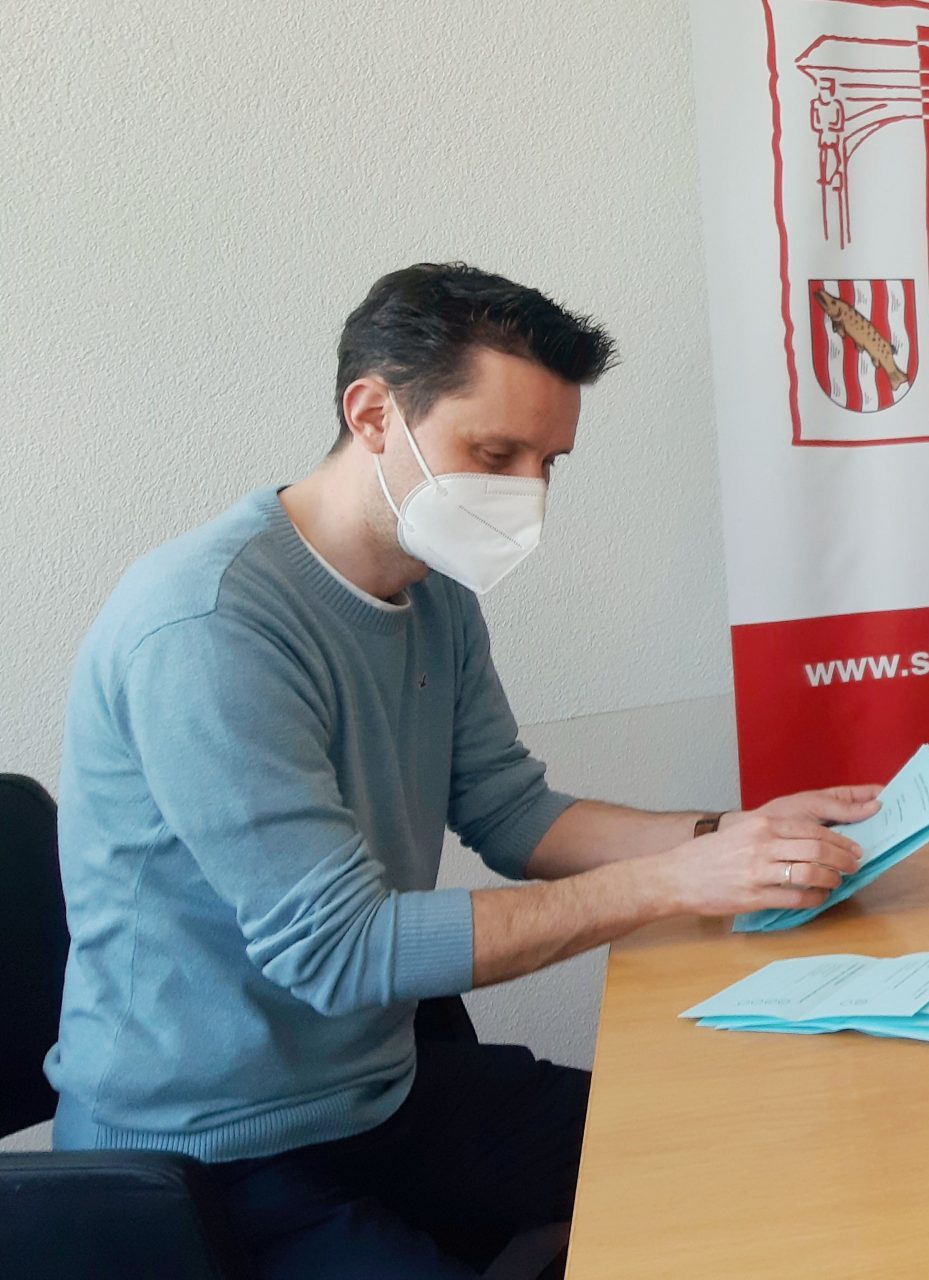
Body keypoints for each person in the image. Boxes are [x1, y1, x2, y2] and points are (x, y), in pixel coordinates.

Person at [48, 263, 882, 1280]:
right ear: (371, 414)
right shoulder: (209, 626)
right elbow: (342, 948)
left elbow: (510, 808)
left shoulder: (433, 590)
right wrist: (671, 882)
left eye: (548, 460)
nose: (525, 492)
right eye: (494, 452)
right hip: (212, 1150)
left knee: (741, 1148)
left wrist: (725, 835)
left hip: (380, 1090)